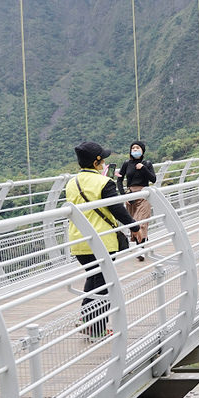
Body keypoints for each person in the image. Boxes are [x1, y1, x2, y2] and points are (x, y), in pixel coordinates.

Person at [67, 141, 139, 340]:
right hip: (101, 241)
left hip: (78, 241)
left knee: (94, 278)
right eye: (102, 158)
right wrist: (134, 226)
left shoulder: (71, 182)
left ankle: (87, 321)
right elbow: (117, 209)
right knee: (104, 283)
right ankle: (96, 328)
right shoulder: (103, 182)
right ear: (97, 161)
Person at [117, 140, 156, 261]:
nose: (135, 150)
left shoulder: (147, 163)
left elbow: (153, 179)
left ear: (142, 150)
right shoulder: (126, 164)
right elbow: (119, 179)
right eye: (133, 148)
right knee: (133, 223)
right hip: (130, 196)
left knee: (141, 222)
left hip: (144, 194)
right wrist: (124, 195)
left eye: (137, 148)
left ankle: (140, 249)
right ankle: (142, 241)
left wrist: (143, 168)